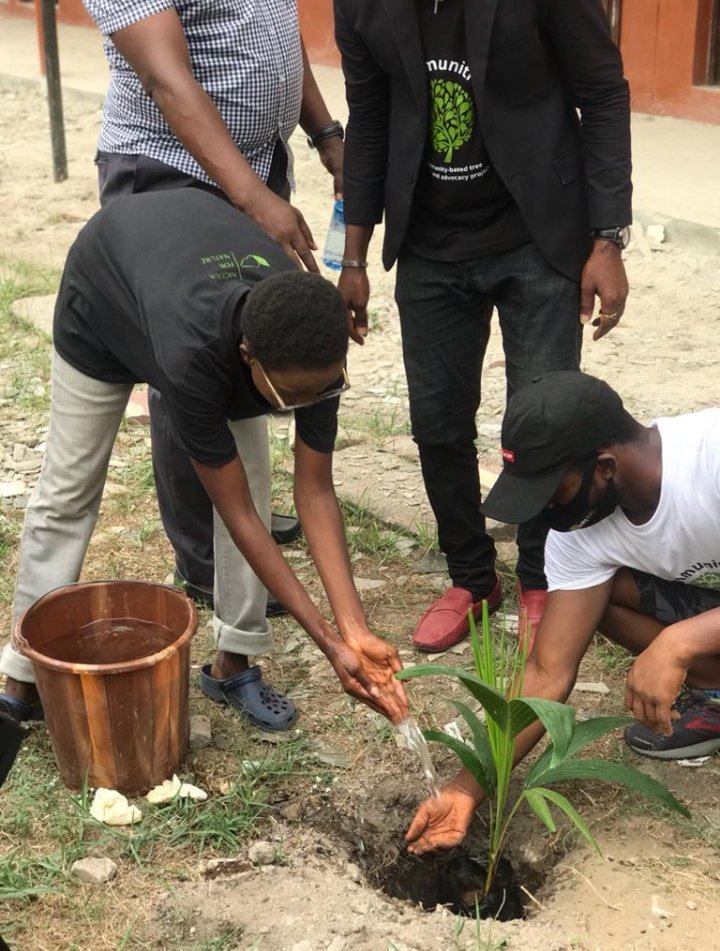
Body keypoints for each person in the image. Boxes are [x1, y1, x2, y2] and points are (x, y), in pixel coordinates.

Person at [0, 189, 408, 733]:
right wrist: (327, 643)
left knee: (257, 485)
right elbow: (234, 513)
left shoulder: (309, 338)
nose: (306, 407)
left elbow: (315, 491)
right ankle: (21, 676)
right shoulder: (196, 360)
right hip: (103, 294)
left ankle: (232, 661)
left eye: (321, 391)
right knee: (69, 490)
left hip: (188, 270)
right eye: (292, 398)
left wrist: (353, 628)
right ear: (248, 358)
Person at [333, 0, 631, 652]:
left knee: (543, 421)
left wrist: (607, 238)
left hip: (539, 234)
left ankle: (538, 576)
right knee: (437, 423)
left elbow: (603, 94)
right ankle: (472, 576)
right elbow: (371, 119)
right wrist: (351, 256)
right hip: (431, 243)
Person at [82, 0, 346, 610]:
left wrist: (324, 131)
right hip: (168, 173)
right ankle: (206, 559)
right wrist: (252, 198)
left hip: (253, 166)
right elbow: (164, 78)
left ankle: (240, 525)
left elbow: (276, 34)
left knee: (257, 345)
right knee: (192, 365)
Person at [405, 370, 720, 854]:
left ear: (606, 467)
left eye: (552, 491)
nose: (545, 511)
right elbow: (548, 671)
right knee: (598, 597)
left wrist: (679, 643)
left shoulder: (710, 459)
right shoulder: (578, 534)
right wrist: (467, 788)